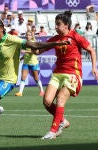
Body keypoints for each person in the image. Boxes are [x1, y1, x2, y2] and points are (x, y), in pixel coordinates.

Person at [34, 12, 98, 140]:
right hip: (57, 74)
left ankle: (53, 131)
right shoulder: (55, 39)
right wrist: (29, 47)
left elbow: (91, 50)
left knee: (60, 99)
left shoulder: (75, 36)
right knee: (47, 101)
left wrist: (94, 67)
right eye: (55, 24)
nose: (56, 27)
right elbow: (39, 50)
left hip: (73, 73)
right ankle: (62, 120)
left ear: (66, 25)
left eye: (59, 24)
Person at [15, 31, 44, 97]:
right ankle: (20, 92)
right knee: (23, 77)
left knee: (36, 78)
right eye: (27, 35)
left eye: (29, 35)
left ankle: (42, 91)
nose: (27, 36)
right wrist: (21, 58)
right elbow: (26, 54)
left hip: (34, 63)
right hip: (26, 63)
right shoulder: (24, 43)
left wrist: (25, 51)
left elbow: (35, 52)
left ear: (31, 36)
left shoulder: (34, 43)